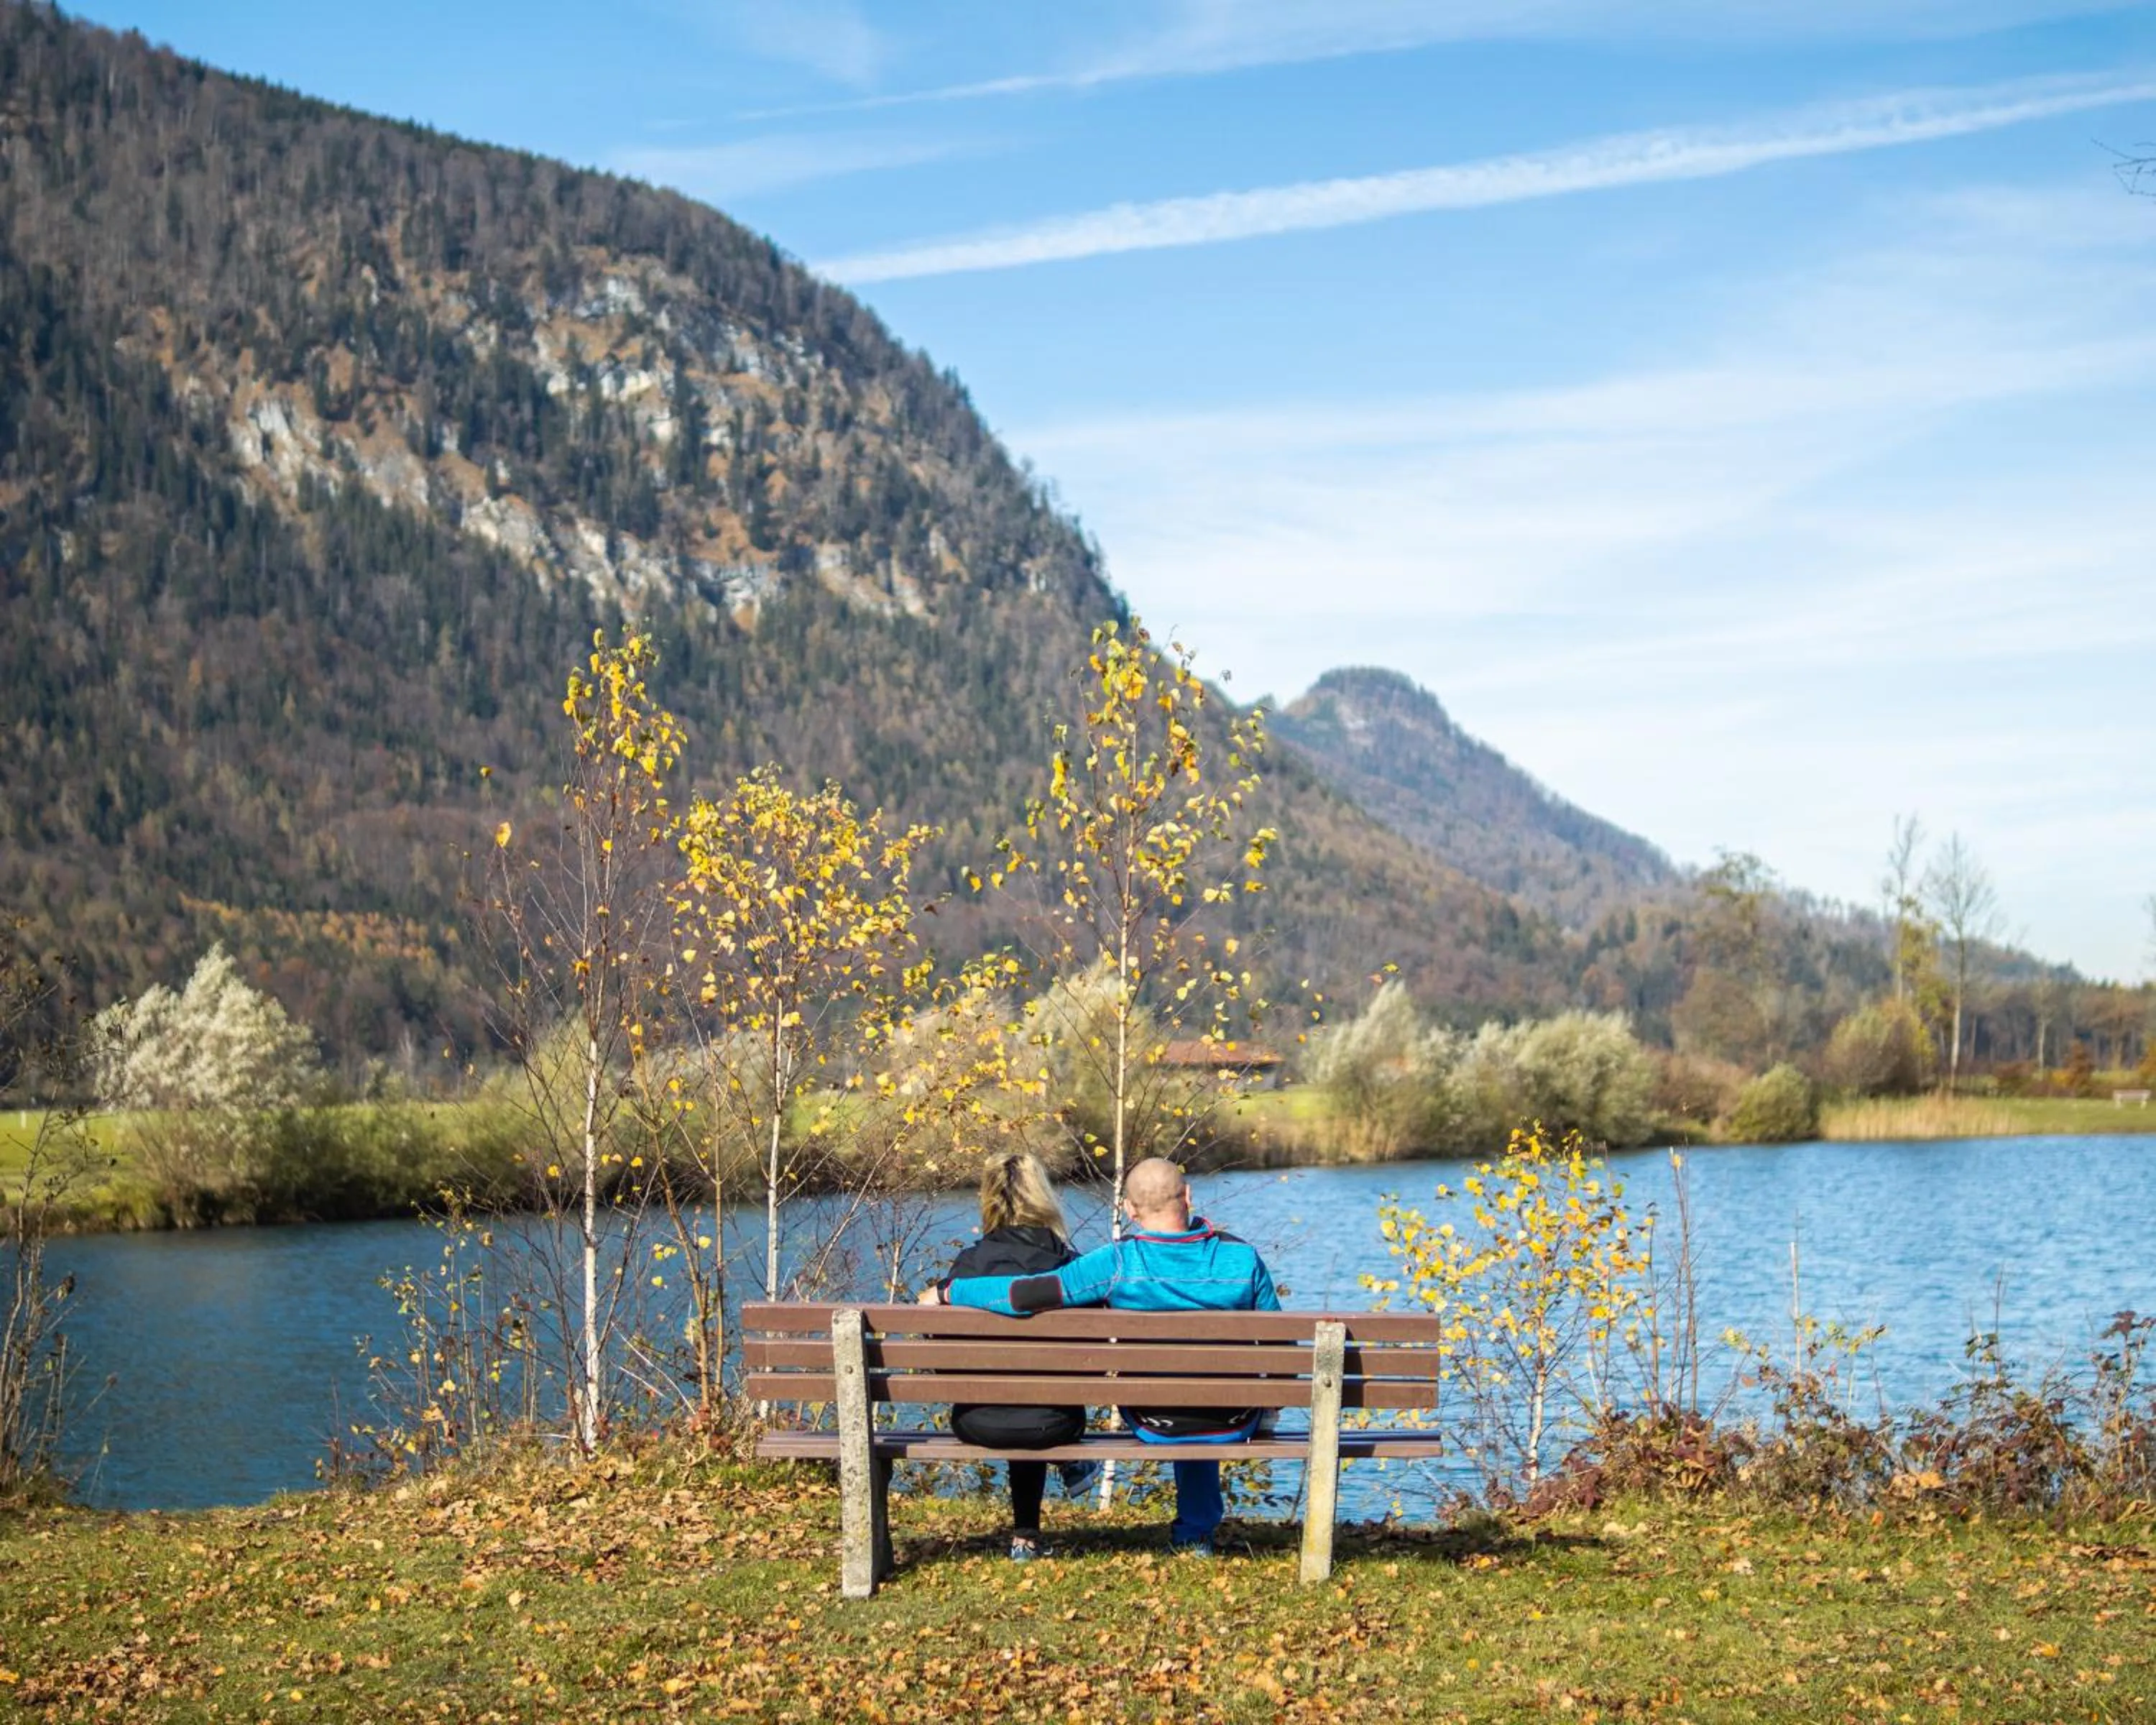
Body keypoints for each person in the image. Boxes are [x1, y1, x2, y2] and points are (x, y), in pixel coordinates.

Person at [930, 1156, 1279, 1555]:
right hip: (1234, 1418)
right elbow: (1280, 1344)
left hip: (1152, 1418)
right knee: (1205, 1393)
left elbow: (1024, 1296)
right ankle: (1196, 1534)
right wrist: (1270, 1406)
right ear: (1189, 1196)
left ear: (1129, 1210)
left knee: (1179, 1393)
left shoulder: (1115, 1262)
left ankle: (1194, 1531)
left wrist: (949, 1292)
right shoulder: (1243, 1258)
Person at [921, 1151, 1097, 1561]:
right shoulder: (1067, 1264)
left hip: (975, 1422)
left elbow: (942, 1359)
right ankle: (1028, 1535)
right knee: (1036, 1397)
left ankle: (1025, 1538)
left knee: (1015, 1392)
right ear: (1044, 1198)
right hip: (1057, 1424)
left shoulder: (968, 1266)